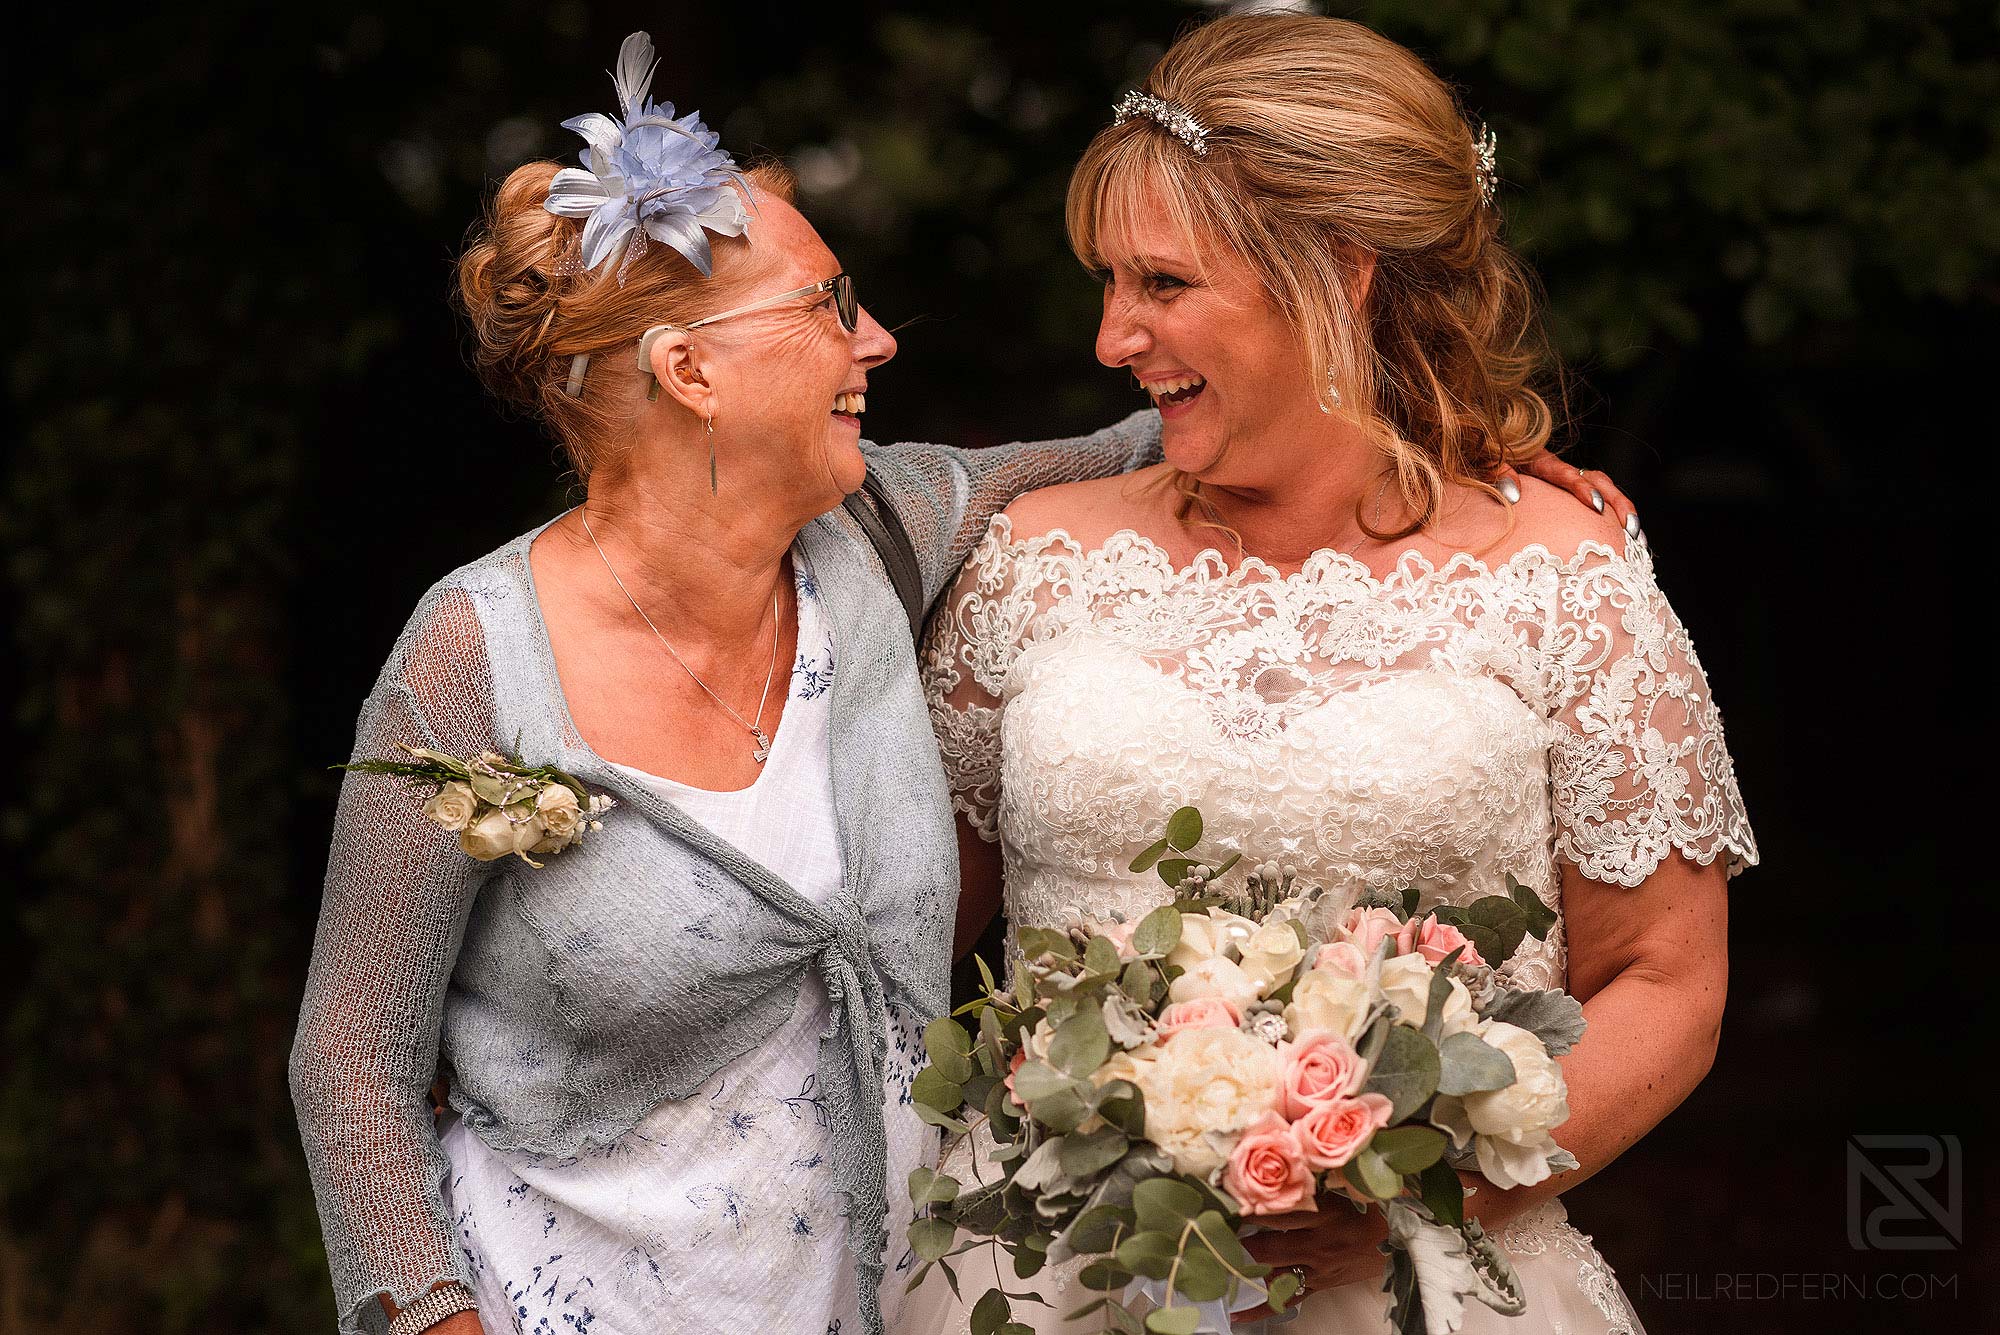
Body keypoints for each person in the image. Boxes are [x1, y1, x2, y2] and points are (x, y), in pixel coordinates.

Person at [289, 31, 1631, 1335]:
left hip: (893, 1298)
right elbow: (351, 1052)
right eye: (827, 306)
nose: (876, 340)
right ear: (688, 371)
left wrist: (1461, 454)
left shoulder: (889, 531)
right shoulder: (476, 654)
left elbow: (1194, 427)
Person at [905, 13, 1755, 1334]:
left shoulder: (1563, 575)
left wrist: (1435, 1182)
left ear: (1339, 273)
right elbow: (900, 949)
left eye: (1163, 283)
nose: (1113, 337)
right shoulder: (1030, 562)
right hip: (1053, 1280)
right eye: (1107, 283)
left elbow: (1667, 981)